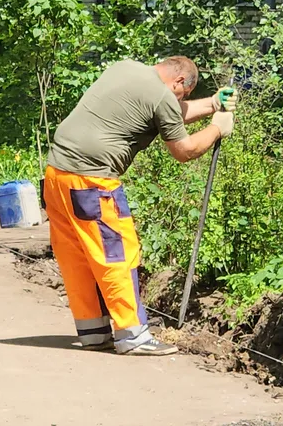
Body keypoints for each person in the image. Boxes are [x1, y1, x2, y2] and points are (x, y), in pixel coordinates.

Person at [43, 56, 237, 356]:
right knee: (115, 254)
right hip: (93, 182)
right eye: (182, 95)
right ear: (179, 82)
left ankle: (93, 332)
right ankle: (133, 336)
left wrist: (212, 103)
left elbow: (166, 112)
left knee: (77, 256)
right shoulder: (162, 95)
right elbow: (183, 150)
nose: (180, 100)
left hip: (57, 176)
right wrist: (216, 129)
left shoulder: (127, 69)